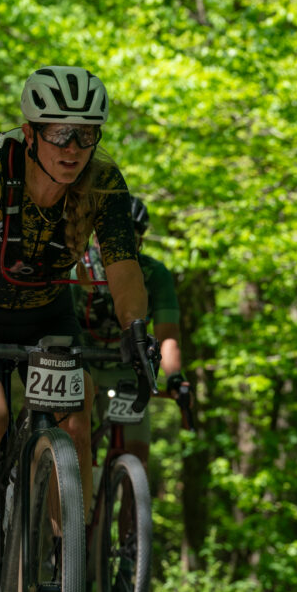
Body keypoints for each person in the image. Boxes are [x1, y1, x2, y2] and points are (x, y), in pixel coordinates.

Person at [0, 65, 154, 592]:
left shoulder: (104, 183)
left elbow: (123, 267)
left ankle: (63, 566)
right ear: (30, 134)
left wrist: (136, 331)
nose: (74, 148)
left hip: (49, 312)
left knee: (77, 420)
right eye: (60, 134)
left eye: (87, 134)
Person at [75, 195, 192, 469]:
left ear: (140, 240)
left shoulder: (154, 274)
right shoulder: (75, 267)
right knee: (76, 441)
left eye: (131, 236)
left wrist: (174, 378)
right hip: (79, 362)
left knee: (137, 453)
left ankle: (130, 492)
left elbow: (167, 335)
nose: (121, 243)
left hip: (125, 366)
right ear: (96, 236)